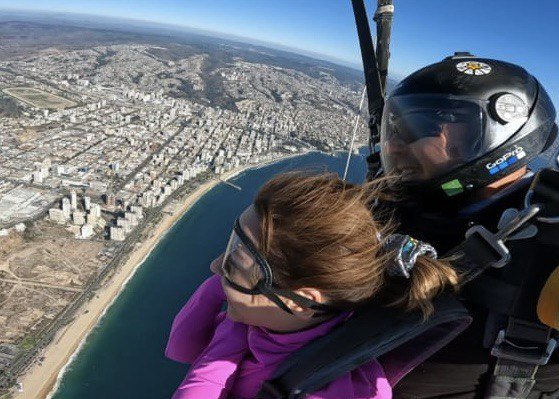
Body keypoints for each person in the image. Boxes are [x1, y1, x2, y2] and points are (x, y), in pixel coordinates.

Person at [165, 172, 459, 399]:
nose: (214, 267)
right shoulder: (275, 321)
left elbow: (184, 351)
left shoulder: (338, 390)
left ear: (301, 301)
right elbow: (182, 348)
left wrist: (222, 348)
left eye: (234, 263)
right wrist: (226, 295)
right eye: (232, 248)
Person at [378, 54, 559, 398]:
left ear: (493, 136)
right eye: (395, 126)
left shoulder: (550, 242)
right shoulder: (396, 206)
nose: (393, 145)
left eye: (421, 127)